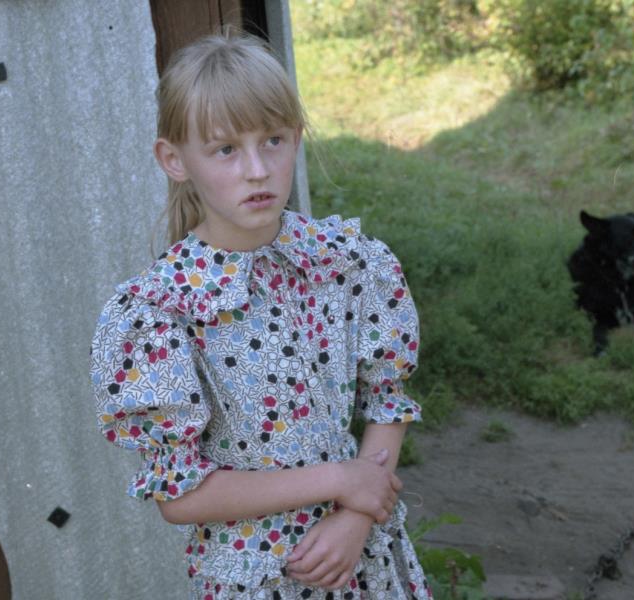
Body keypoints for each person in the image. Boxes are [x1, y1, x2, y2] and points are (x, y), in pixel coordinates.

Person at [91, 32, 431, 599]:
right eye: (226, 149)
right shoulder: (158, 311)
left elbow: (387, 401)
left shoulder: (346, 263)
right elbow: (180, 497)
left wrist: (355, 515)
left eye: (273, 140)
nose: (257, 170)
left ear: (295, 138)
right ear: (174, 160)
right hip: (258, 578)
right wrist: (338, 479)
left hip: (362, 557)